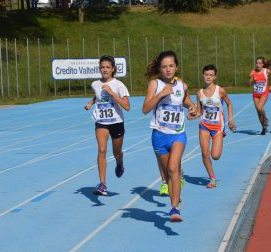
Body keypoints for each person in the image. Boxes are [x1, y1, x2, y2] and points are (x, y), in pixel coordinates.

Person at [142, 50, 196, 222]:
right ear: (159, 68)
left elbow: (187, 102)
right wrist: (161, 94)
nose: (168, 69)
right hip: (159, 135)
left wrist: (194, 108)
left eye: (171, 66)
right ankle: (175, 191)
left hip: (178, 135)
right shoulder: (154, 84)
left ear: (176, 67)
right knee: (167, 174)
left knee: (173, 168)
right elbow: (145, 109)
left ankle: (174, 209)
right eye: (164, 67)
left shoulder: (182, 85)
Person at [85, 55, 130, 196]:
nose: (105, 70)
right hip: (101, 122)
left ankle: (119, 162)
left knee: (116, 152)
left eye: (107, 67)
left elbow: (127, 106)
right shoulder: (95, 84)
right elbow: (98, 96)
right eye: (102, 67)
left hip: (116, 122)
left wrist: (112, 93)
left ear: (113, 69)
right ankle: (102, 184)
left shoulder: (119, 85)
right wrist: (91, 103)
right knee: (102, 150)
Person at [189, 65, 236, 189]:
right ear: (203, 75)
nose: (208, 77)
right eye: (206, 74)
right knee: (205, 153)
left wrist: (231, 120)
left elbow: (229, 104)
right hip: (204, 125)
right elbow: (199, 111)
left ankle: (219, 141)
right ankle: (212, 178)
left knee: (215, 156)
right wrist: (193, 116)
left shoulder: (220, 91)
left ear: (215, 77)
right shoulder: (199, 93)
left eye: (211, 75)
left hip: (218, 127)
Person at [248, 57, 271, 135]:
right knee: (258, 112)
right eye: (257, 63)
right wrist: (250, 80)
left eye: (259, 63)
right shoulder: (253, 72)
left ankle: (266, 120)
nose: (257, 65)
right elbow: (249, 83)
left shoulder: (266, 71)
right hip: (255, 94)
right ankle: (263, 128)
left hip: (264, 93)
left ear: (263, 64)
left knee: (259, 108)